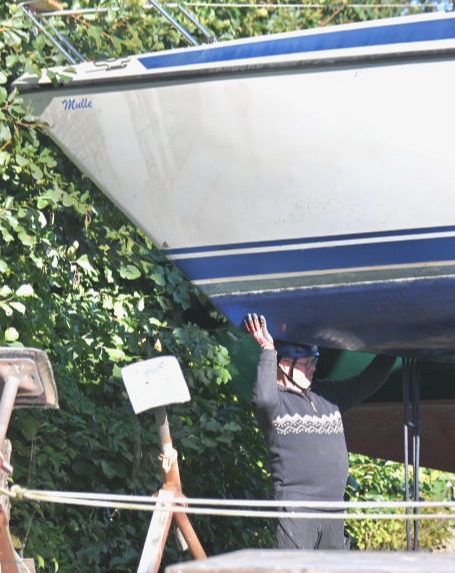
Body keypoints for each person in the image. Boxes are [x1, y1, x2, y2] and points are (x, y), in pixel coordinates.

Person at [243, 312, 396, 550]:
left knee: (333, 567)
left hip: (334, 509)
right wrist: (268, 350)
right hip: (298, 510)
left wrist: (393, 347)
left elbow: (367, 381)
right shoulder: (276, 404)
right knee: (295, 568)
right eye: (306, 364)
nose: (313, 369)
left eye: (314, 362)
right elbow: (262, 399)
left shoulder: (327, 394)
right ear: (284, 365)